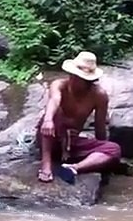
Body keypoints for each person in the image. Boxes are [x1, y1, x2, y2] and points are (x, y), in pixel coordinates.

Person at [34, 50, 123, 184]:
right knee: (55, 113)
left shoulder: (99, 95)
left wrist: (102, 148)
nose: (74, 80)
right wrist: (47, 120)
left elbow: (100, 128)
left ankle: (74, 168)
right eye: (73, 75)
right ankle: (46, 165)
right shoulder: (59, 85)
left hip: (72, 144)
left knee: (114, 149)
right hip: (50, 137)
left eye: (80, 78)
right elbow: (54, 100)